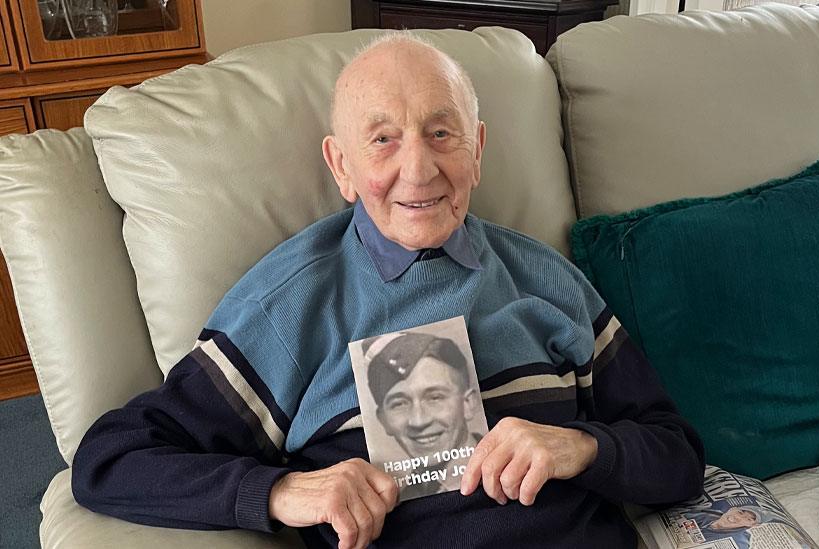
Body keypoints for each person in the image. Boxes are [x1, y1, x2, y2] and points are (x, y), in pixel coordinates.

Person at [71, 33, 706, 549]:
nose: (419, 168)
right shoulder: (289, 304)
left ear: (476, 149)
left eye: (441, 132)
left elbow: (677, 455)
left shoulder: (549, 281)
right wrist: (281, 493)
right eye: (382, 140)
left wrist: (583, 446)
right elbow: (110, 460)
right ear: (340, 167)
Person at [364, 332, 485, 499]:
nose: (419, 421)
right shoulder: (404, 495)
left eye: (435, 398)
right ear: (383, 420)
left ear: (468, 404)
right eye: (399, 404)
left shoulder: (505, 472)